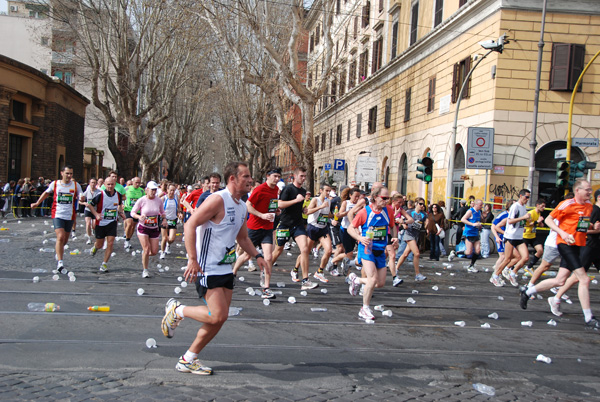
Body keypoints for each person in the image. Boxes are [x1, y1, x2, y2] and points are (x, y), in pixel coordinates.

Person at [160, 161, 268, 375]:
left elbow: (243, 237)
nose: (250, 179)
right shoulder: (218, 200)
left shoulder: (239, 205)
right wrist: (192, 259)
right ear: (232, 179)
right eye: (245, 176)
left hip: (225, 268)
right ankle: (177, 310)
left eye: (249, 176)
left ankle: (188, 358)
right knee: (217, 315)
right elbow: (190, 224)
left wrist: (257, 255)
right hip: (207, 268)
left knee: (220, 317)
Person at [520, 180, 600, 331]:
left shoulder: (589, 207)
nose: (590, 192)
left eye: (590, 190)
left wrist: (591, 226)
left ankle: (528, 292)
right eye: (587, 190)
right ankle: (589, 317)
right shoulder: (567, 204)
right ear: (578, 190)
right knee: (583, 279)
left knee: (560, 280)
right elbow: (550, 219)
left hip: (578, 245)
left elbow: (581, 224)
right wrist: (562, 232)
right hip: (565, 244)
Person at [347, 186, 410, 320]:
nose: (387, 201)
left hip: (380, 250)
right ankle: (364, 309)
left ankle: (356, 279)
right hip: (366, 249)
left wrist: (394, 237)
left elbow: (392, 226)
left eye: (388, 198)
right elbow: (350, 228)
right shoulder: (365, 212)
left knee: (380, 283)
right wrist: (359, 238)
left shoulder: (388, 211)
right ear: (375, 197)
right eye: (384, 198)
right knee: (373, 278)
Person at [232, 168, 281, 299]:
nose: (277, 179)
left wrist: (276, 210)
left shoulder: (276, 190)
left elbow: (270, 205)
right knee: (247, 256)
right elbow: (247, 205)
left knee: (269, 257)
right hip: (254, 227)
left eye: (278, 177)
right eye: (275, 176)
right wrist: (261, 215)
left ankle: (266, 288)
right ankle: (233, 273)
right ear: (268, 176)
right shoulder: (260, 189)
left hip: (267, 228)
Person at [271, 167, 318, 290]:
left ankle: (305, 280)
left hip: (297, 225)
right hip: (285, 224)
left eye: (304, 176)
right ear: (295, 176)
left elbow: (299, 206)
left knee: (305, 249)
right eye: (301, 176)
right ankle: (265, 270)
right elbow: (280, 204)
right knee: (278, 250)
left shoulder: (303, 191)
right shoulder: (288, 189)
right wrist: (295, 200)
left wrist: (303, 209)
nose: (303, 178)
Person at [30, 165, 82, 274]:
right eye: (67, 173)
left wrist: (82, 198)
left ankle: (59, 252)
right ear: (62, 173)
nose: (69, 175)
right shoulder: (55, 184)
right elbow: (46, 193)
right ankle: (60, 262)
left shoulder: (76, 185)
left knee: (65, 240)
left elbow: (81, 195)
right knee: (60, 236)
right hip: (57, 214)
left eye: (71, 173)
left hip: (69, 215)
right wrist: (37, 203)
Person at [492, 189, 531, 287]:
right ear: (521, 196)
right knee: (507, 259)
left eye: (529, 197)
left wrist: (527, 223)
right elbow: (510, 221)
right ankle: (495, 276)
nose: (527, 199)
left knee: (525, 257)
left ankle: (512, 272)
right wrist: (523, 218)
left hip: (519, 236)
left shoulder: (523, 207)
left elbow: (521, 221)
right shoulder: (515, 206)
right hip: (510, 236)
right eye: (526, 197)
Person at [87, 176, 125, 272]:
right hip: (101, 223)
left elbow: (120, 205)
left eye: (112, 184)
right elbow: (90, 205)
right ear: (104, 185)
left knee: (110, 243)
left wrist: (121, 213)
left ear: (115, 185)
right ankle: (95, 247)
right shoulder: (100, 195)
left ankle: (104, 264)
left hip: (112, 222)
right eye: (108, 184)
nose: (110, 186)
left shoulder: (118, 195)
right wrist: (96, 214)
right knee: (100, 244)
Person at [130, 181, 167, 278]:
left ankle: (144, 256)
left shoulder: (158, 200)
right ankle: (145, 270)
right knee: (146, 249)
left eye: (155, 190)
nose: (153, 192)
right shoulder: (142, 200)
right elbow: (132, 212)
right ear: (147, 190)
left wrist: (164, 220)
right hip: (143, 228)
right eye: (152, 190)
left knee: (154, 251)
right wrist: (139, 216)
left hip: (154, 228)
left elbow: (162, 212)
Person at [303, 183, 333, 283]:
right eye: (326, 191)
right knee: (305, 251)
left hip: (323, 228)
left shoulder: (329, 201)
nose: (328, 193)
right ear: (321, 191)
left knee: (329, 250)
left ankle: (319, 271)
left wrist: (334, 216)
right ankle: (295, 269)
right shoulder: (315, 200)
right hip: (313, 228)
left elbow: (327, 214)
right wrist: (320, 207)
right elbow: (307, 211)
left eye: (329, 191)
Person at [395, 197, 427, 281]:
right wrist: (404, 224)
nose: (422, 205)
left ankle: (396, 268)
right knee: (416, 253)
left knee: (405, 254)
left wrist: (427, 226)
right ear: (416, 204)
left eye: (423, 204)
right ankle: (417, 274)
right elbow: (401, 219)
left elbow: (425, 222)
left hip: (416, 235)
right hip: (409, 234)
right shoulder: (410, 212)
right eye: (420, 204)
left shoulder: (423, 214)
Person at [522, 198, 547, 271]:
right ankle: (512, 268)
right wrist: (537, 221)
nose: (544, 208)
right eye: (542, 206)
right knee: (523, 256)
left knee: (540, 250)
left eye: (544, 206)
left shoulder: (539, 214)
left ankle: (529, 266)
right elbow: (529, 224)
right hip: (526, 236)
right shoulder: (531, 213)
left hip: (533, 236)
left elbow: (538, 224)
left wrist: (541, 223)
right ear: (537, 205)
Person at [460, 199, 483, 273]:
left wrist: (479, 225)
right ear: (476, 205)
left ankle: (471, 265)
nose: (481, 206)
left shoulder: (479, 212)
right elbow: (463, 219)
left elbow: (477, 221)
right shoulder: (470, 211)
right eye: (480, 205)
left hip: (475, 233)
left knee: (478, 250)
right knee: (469, 252)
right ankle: (456, 253)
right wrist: (472, 224)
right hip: (469, 233)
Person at [160, 184, 180, 259]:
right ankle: (162, 252)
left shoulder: (176, 198)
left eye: (173, 190)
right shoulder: (163, 198)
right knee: (164, 238)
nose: (172, 192)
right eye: (170, 190)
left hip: (173, 220)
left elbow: (179, 208)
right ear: (167, 190)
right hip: (165, 220)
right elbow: (159, 209)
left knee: (171, 239)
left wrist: (180, 213)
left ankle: (168, 245)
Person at [123, 177, 144, 251]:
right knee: (129, 223)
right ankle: (126, 238)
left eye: (139, 182)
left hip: (137, 211)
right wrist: (122, 204)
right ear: (133, 182)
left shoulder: (141, 191)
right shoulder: (127, 189)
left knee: (133, 226)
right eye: (136, 182)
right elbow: (121, 197)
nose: (137, 184)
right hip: (128, 209)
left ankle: (128, 239)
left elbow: (144, 200)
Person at [80, 178, 102, 244]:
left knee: (94, 225)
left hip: (95, 211)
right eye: (92, 182)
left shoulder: (99, 192)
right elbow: (80, 201)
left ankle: (93, 231)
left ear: (96, 184)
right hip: (88, 210)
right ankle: (89, 238)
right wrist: (84, 203)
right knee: (88, 223)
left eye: (94, 183)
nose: (93, 184)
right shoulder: (87, 192)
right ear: (89, 183)